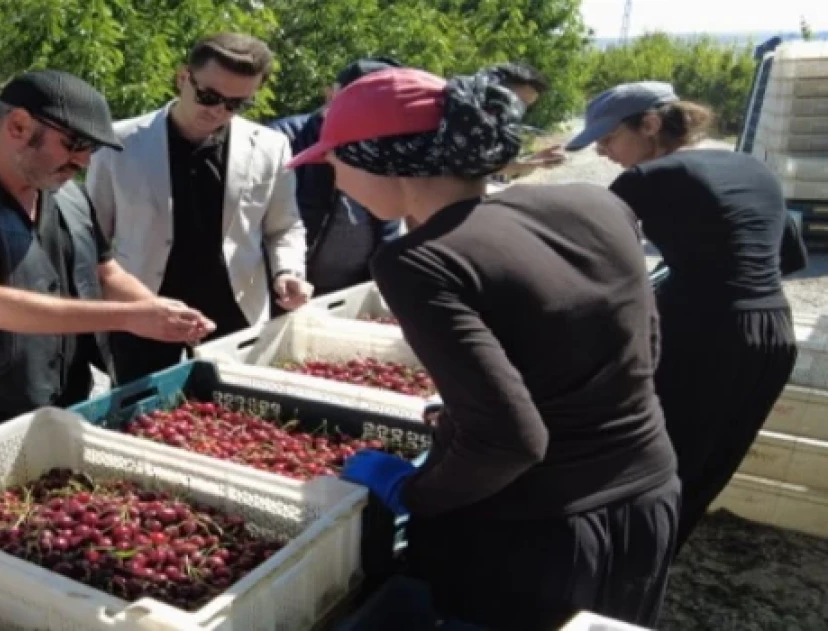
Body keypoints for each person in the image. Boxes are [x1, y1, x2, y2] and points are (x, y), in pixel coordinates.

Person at [289, 68, 680, 629]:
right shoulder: (591, 203)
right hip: (647, 500)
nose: (331, 171)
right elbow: (642, 346)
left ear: (385, 159)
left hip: (541, 536)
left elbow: (512, 440)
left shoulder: (419, 261)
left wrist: (414, 491)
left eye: (335, 157)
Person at [0, 70, 215, 426]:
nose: (83, 162)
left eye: (92, 149)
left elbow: (106, 272)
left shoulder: (70, 196)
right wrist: (131, 318)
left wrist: (160, 310)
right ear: (18, 126)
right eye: (74, 144)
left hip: (73, 400)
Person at [568, 81, 798, 551]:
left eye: (609, 138)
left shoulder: (647, 180)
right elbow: (786, 260)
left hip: (705, 338)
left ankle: (620, 573)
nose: (604, 151)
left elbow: (596, 266)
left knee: (653, 461)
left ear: (650, 124)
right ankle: (658, 562)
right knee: (709, 464)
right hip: (774, 335)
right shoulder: (750, 166)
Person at [86, 32, 311, 385]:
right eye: (209, 96)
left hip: (235, 311)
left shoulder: (271, 146)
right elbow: (92, 238)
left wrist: (288, 273)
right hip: (144, 309)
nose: (219, 111)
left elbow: (284, 227)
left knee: (233, 424)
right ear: (182, 78)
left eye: (237, 104)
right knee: (143, 421)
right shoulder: (118, 144)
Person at [268, 57, 404, 301]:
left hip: (353, 292)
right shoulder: (280, 140)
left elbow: (390, 228)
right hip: (284, 291)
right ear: (330, 95)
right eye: (356, 101)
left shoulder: (387, 147)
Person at [483, 62, 566, 182]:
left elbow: (498, 171)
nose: (517, 111)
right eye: (516, 102)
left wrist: (535, 161)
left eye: (525, 106)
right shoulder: (459, 124)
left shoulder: (499, 129)